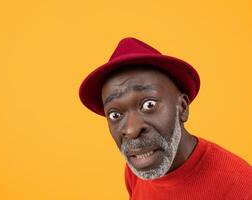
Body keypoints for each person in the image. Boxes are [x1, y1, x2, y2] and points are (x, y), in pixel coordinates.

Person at [78, 37, 252, 199]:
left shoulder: (241, 187)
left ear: (182, 107)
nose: (131, 130)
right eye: (115, 114)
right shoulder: (138, 167)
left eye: (149, 105)